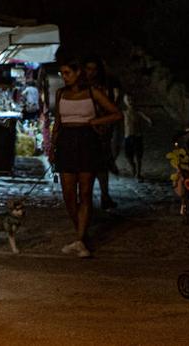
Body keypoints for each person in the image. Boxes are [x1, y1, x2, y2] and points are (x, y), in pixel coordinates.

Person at [52, 58, 123, 258]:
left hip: (87, 141)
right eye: (62, 74)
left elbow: (117, 114)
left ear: (77, 73)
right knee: (68, 194)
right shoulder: (61, 93)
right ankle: (81, 234)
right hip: (66, 141)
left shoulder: (93, 92)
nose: (64, 77)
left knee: (85, 192)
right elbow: (58, 120)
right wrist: (52, 145)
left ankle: (80, 238)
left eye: (67, 73)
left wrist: (96, 121)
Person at [83, 57, 120, 209]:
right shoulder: (81, 86)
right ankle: (87, 198)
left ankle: (105, 195)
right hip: (85, 128)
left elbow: (111, 107)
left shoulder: (104, 87)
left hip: (101, 128)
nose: (91, 72)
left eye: (94, 69)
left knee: (102, 164)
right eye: (88, 69)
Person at [121, 93, 152, 181]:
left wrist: (150, 121)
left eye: (131, 99)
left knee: (138, 156)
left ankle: (138, 173)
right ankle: (133, 167)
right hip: (128, 136)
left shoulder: (138, 112)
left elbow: (147, 118)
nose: (130, 101)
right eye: (128, 100)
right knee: (128, 156)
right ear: (125, 102)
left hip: (137, 136)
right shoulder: (124, 113)